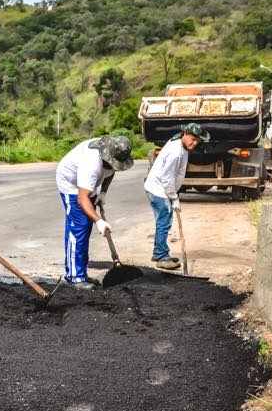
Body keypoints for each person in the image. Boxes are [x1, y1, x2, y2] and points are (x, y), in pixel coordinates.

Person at [55, 135, 134, 289]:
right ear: (107, 157)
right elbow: (82, 198)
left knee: (85, 227)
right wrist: (99, 221)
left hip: (86, 186)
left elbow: (111, 172)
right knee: (79, 227)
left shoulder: (112, 154)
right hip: (71, 185)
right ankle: (74, 277)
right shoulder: (91, 164)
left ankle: (81, 273)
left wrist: (103, 192)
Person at [143, 123, 210, 269]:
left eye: (198, 141)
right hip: (159, 189)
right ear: (185, 134)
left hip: (162, 188)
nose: (194, 143)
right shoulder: (175, 152)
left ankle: (159, 251)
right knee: (164, 221)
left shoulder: (180, 142)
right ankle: (161, 256)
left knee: (163, 221)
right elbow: (167, 178)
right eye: (193, 139)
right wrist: (174, 198)